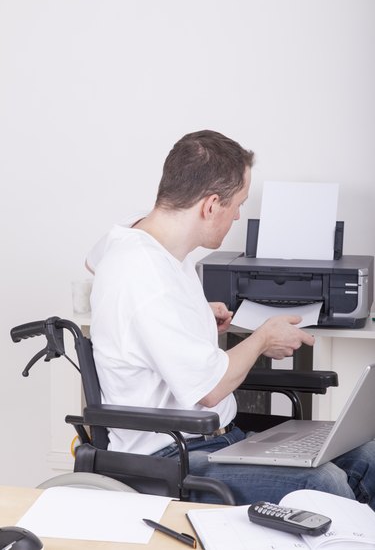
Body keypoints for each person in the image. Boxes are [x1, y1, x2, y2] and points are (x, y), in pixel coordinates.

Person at [87, 130, 375, 508]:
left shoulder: (141, 236)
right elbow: (208, 390)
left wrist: (191, 316)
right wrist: (261, 339)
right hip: (172, 456)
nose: (239, 214)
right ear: (209, 206)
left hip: (221, 439)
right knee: (324, 484)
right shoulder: (146, 275)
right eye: (237, 204)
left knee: (368, 458)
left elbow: (95, 262)